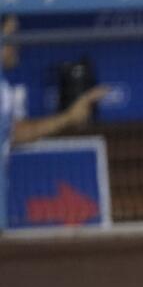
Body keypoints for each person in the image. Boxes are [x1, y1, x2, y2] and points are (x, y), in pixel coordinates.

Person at [1, 14, 107, 232]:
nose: (16, 45)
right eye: (10, 37)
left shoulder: (3, 89)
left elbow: (15, 133)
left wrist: (69, 117)